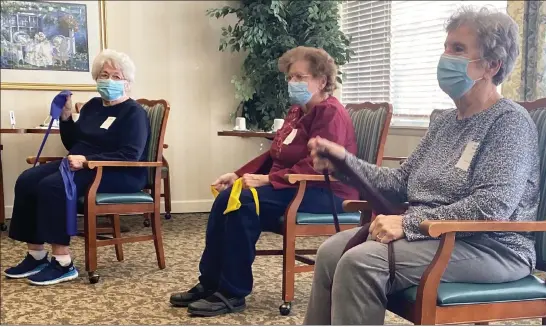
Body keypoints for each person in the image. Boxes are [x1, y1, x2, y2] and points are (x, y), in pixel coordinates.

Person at [304, 6, 539, 325]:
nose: (445, 56)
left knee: (362, 262)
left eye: (458, 49)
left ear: (492, 65)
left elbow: (492, 207)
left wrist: (411, 224)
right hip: (436, 236)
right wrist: (343, 161)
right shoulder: (445, 122)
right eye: (446, 47)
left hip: (493, 247)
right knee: (331, 253)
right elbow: (400, 180)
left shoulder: (509, 123)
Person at [169, 46, 359, 317]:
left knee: (244, 202)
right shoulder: (297, 111)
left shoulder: (330, 113)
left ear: (322, 81)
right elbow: (276, 153)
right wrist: (239, 175)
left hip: (326, 191)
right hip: (293, 185)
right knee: (228, 196)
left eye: (300, 77)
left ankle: (233, 293)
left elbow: (318, 166)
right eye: (290, 77)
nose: (293, 83)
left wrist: (268, 181)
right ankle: (210, 282)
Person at [4, 49, 150, 286]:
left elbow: (130, 154)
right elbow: (74, 143)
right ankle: (36, 255)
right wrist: (66, 117)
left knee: (54, 185)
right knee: (28, 179)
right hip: (79, 165)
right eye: (104, 75)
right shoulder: (93, 106)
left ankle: (63, 263)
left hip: (119, 172)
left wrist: (87, 160)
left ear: (128, 83)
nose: (109, 81)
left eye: (116, 76)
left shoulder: (134, 113)